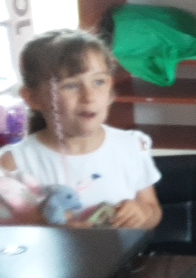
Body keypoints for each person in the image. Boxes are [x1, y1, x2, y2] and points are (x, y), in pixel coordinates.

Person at [0, 28, 162, 229]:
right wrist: (55, 231)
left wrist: (142, 213)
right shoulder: (13, 163)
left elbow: (153, 210)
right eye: (71, 85)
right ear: (33, 98)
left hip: (124, 250)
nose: (89, 96)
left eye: (99, 82)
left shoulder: (131, 146)